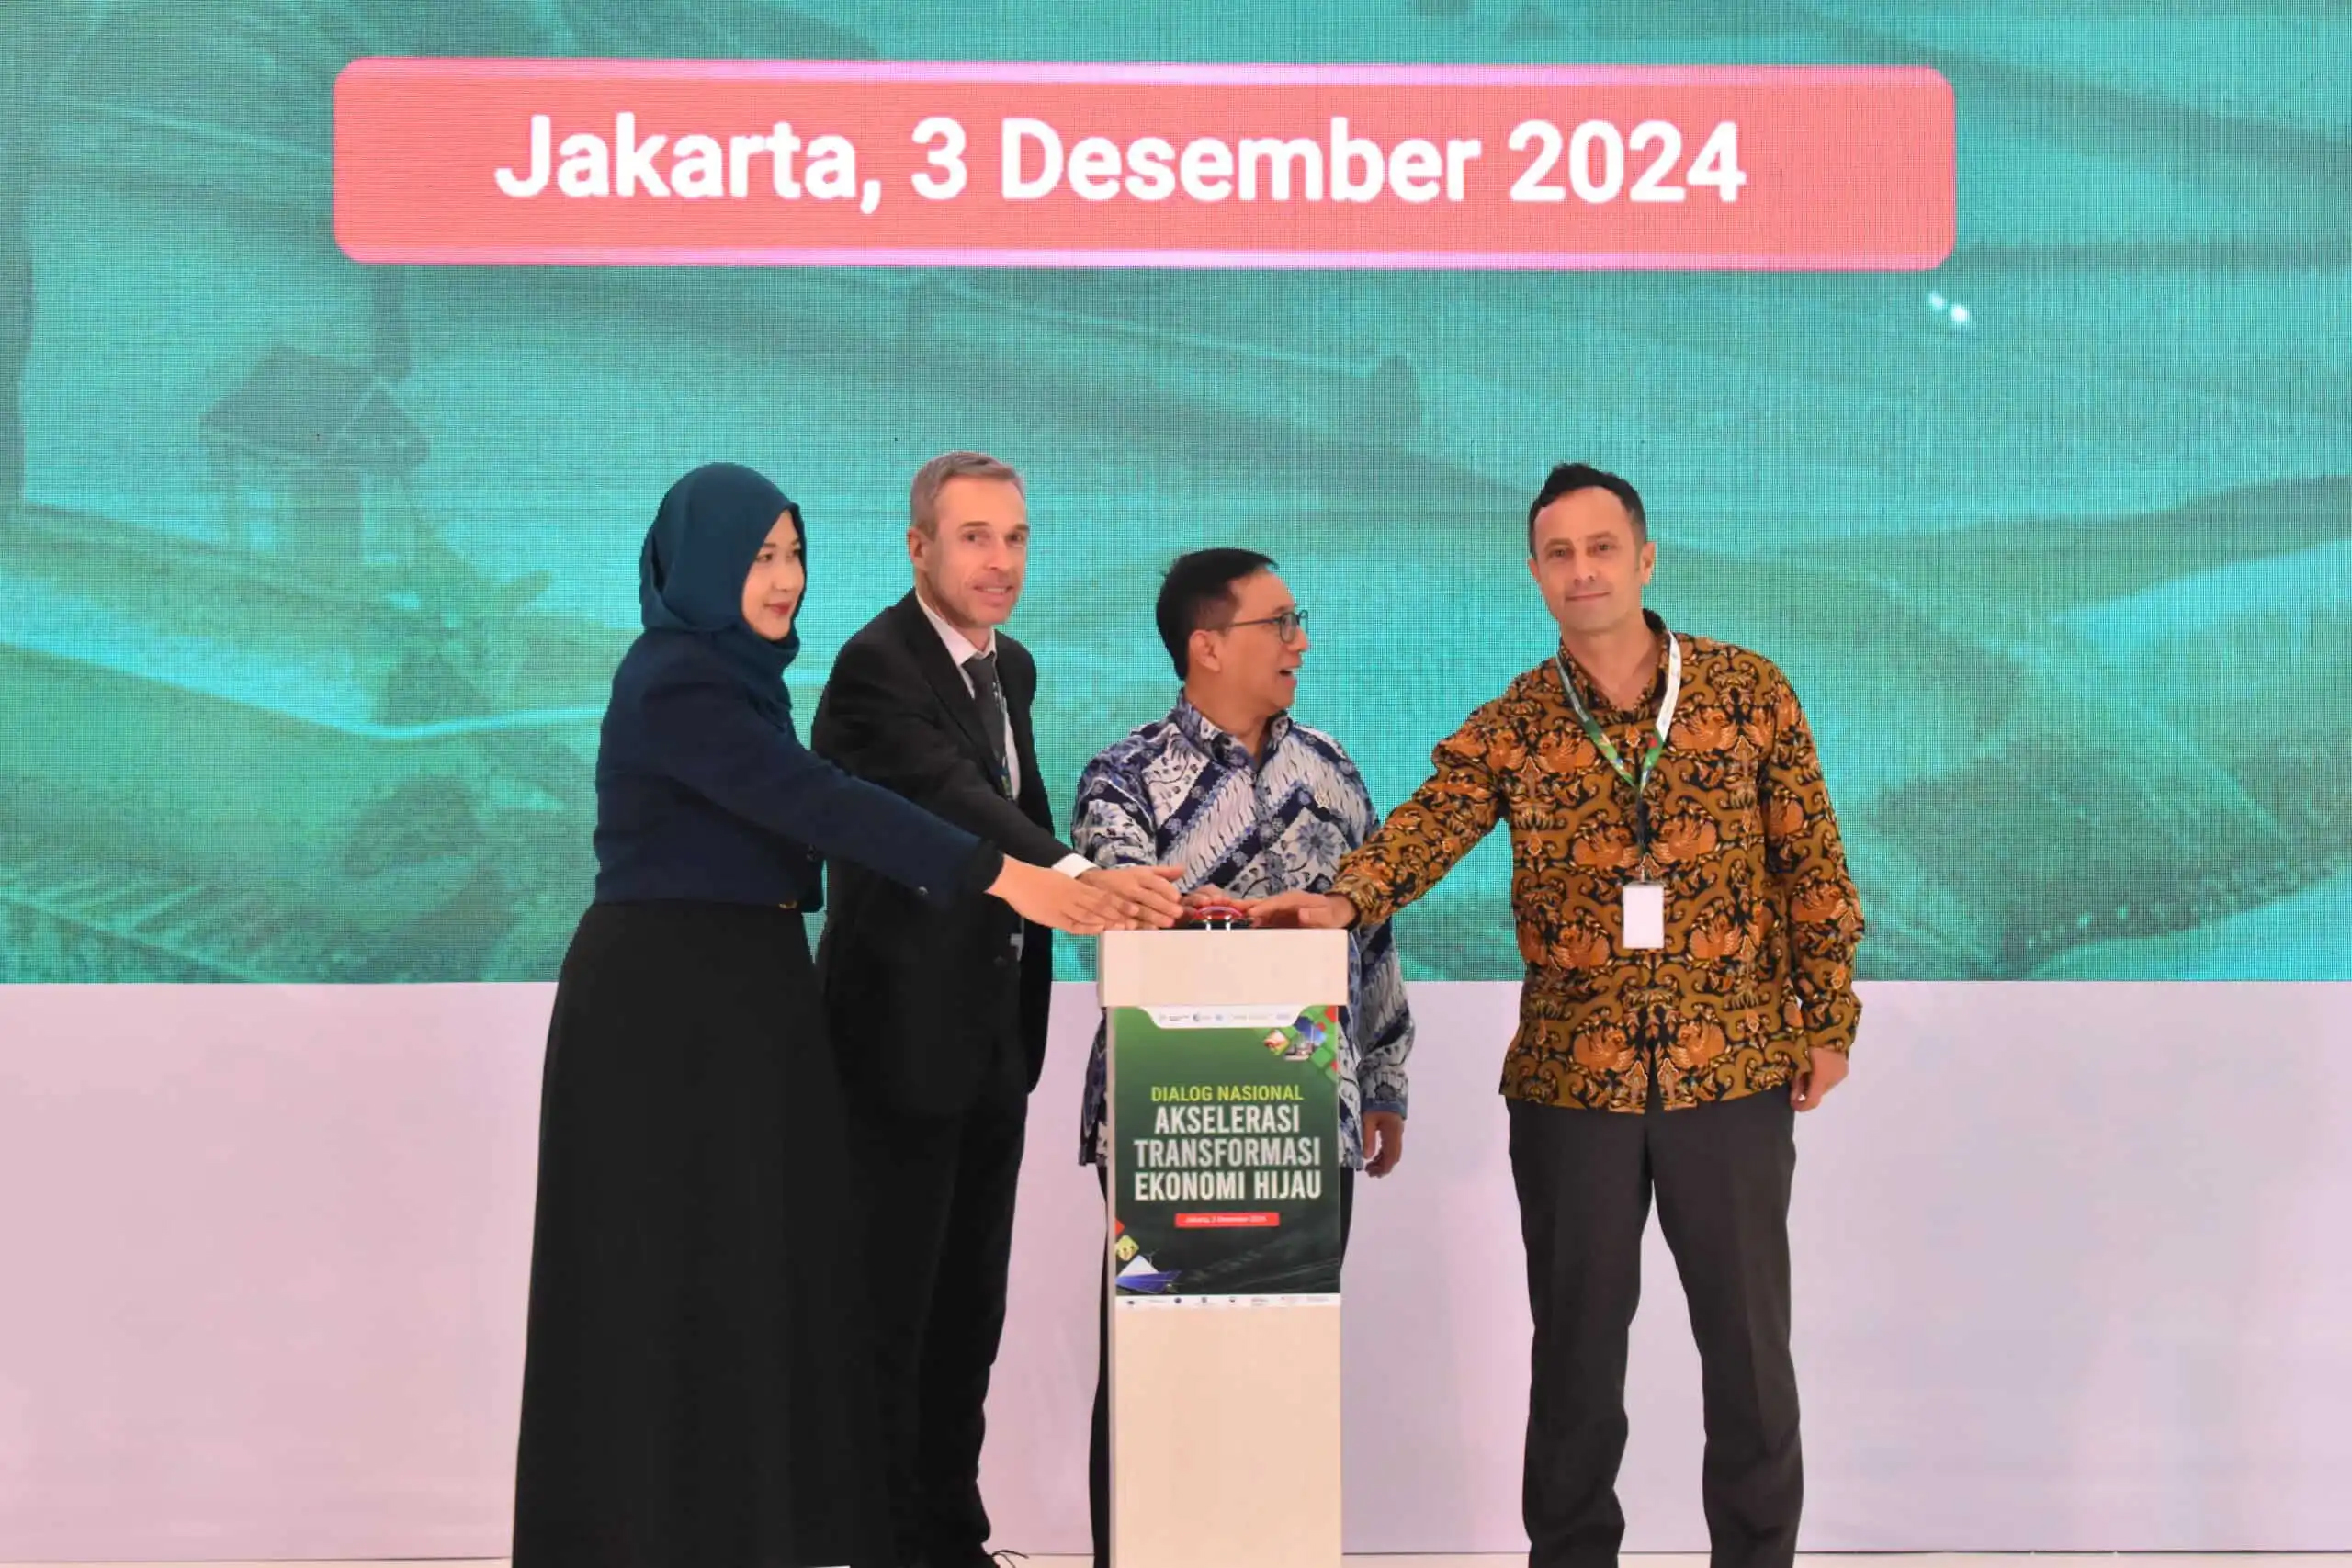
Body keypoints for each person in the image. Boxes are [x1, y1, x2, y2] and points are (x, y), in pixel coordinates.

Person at [510, 462, 1133, 1568]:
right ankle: (631, 1535)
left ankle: (734, 1531)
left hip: (747, 992)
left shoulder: (744, 681)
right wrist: (1008, 876)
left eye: (794, 552)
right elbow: (821, 803)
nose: (785, 578)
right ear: (699, 563)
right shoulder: (674, 679)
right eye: (758, 555)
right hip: (663, 1007)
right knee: (654, 1277)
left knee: (747, 1283)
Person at [1254, 463, 1865, 1568]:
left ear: (1643, 557)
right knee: (1577, 1361)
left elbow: (1811, 863)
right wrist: (1346, 896)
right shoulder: (1519, 723)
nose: (1582, 572)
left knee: (1749, 1361)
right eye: (1557, 554)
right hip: (1570, 1089)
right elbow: (1432, 823)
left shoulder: (1746, 692)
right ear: (1536, 573)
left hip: (1728, 1071)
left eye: (1600, 548)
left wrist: (1827, 1020)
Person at [811, 452, 1183, 1568]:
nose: (1001, 562)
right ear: (918, 545)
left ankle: (947, 1535)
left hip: (990, 1042)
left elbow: (1009, 797)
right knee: (893, 1310)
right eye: (975, 537)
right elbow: (956, 803)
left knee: (969, 1311)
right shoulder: (877, 666)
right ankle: (876, 1540)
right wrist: (1076, 876)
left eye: (1015, 538)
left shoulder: (1005, 667)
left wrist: (1117, 882)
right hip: (895, 1039)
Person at [1069, 547, 1415, 1566]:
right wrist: (1244, 918)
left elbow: (1373, 933)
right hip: (1165, 1113)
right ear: (1206, 645)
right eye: (1279, 623)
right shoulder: (1121, 777)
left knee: (1280, 1371)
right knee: (1155, 1376)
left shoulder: (1331, 771)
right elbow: (1129, 918)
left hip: (1314, 1111)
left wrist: (1386, 1076)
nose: (1299, 641)